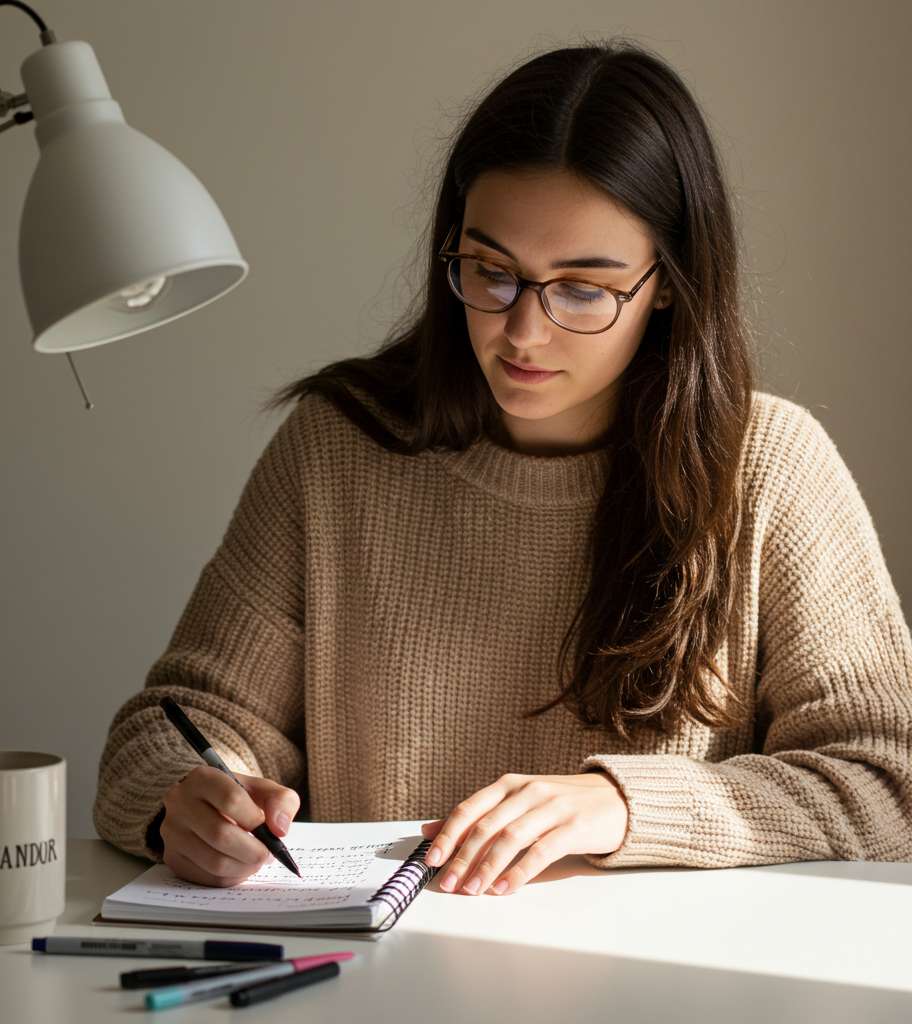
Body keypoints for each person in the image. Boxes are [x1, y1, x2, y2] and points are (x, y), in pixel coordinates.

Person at [93, 42, 912, 896]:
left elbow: (890, 783)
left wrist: (618, 806)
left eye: (582, 289)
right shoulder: (339, 449)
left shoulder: (769, 469)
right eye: (491, 272)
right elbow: (175, 725)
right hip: (368, 984)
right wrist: (182, 805)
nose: (522, 332)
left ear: (667, 283)